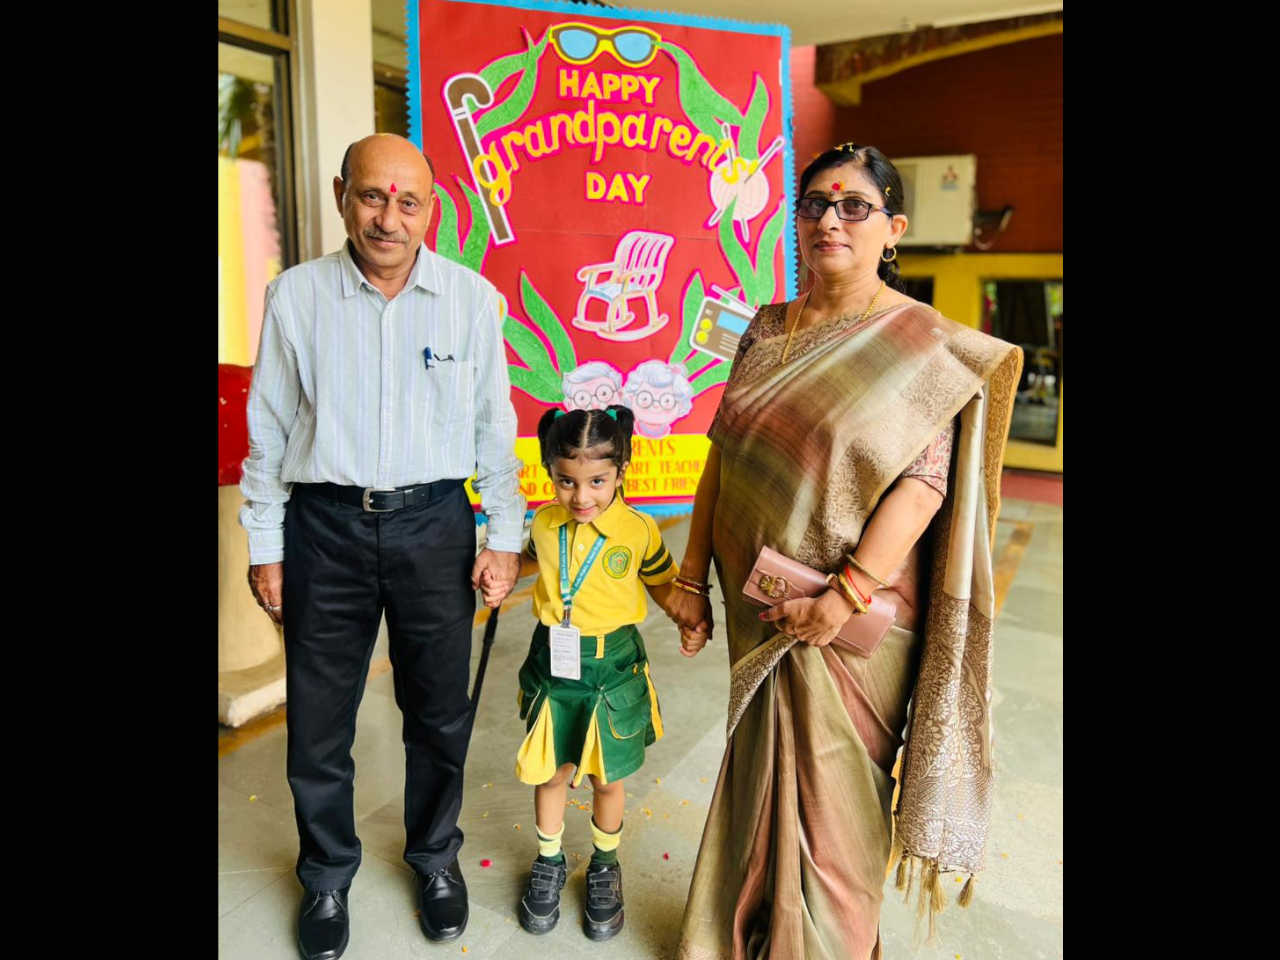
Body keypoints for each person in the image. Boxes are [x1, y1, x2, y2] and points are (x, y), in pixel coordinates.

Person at [668, 143, 1023, 960]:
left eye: (854, 206)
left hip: (852, 622)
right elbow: (723, 454)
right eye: (815, 205)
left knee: (837, 808)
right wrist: (691, 576)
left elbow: (923, 487)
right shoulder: (765, 327)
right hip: (760, 604)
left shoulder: (921, 342)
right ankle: (751, 930)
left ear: (893, 228)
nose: (831, 220)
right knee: (760, 775)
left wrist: (844, 596)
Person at [239, 133, 526, 960]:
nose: (388, 218)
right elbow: (269, 429)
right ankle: (327, 874)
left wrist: (503, 537)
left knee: (437, 711)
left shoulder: (470, 300)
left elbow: (494, 427)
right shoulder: (295, 297)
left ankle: (434, 858)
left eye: (407, 202)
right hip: (322, 528)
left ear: (431, 210)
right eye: (372, 196)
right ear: (342, 195)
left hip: (435, 525)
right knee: (318, 721)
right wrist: (266, 546)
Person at [476, 405, 691, 941]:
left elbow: (663, 585)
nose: (581, 497)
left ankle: (604, 863)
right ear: (550, 473)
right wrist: (498, 571)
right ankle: (548, 859)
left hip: (613, 666)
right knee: (551, 772)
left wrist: (690, 618)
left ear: (621, 472)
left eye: (597, 481)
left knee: (606, 778)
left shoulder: (638, 531)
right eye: (566, 481)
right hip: (554, 663)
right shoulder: (546, 523)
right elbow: (527, 560)